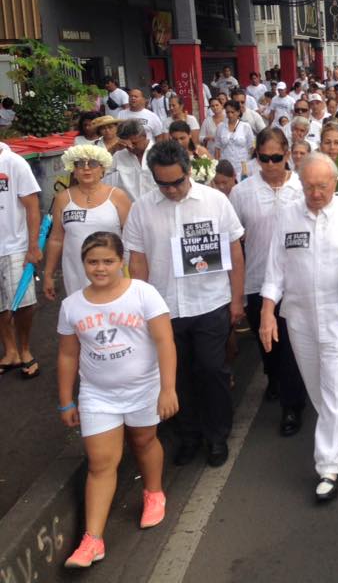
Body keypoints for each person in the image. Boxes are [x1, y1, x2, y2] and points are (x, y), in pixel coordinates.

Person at [259, 153, 338, 501]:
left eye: (322, 186)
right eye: (309, 186)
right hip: (300, 319)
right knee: (319, 390)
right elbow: (276, 268)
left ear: (335, 182)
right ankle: (330, 437)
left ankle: (328, 465)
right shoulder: (286, 216)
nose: (315, 193)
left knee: (334, 390)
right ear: (299, 183)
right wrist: (268, 311)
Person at [57, 232, 178, 569]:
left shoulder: (143, 293)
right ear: (83, 264)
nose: (100, 268)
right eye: (93, 261)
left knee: (143, 440)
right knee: (100, 462)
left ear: (121, 262)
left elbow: (165, 341)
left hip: (143, 387)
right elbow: (67, 355)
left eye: (108, 261)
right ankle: (92, 539)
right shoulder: (72, 306)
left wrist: (168, 388)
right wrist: (67, 401)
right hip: (97, 394)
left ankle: (153, 492)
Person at [124, 141, 245, 468]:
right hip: (164, 309)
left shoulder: (215, 202)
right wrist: (140, 309)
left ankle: (217, 436)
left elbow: (235, 252)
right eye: (163, 184)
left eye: (177, 182)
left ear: (189, 171)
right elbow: (137, 262)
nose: (172, 190)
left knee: (211, 370)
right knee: (176, 377)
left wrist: (237, 299)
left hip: (210, 303)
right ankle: (188, 436)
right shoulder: (142, 209)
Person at [230, 129, 307, 436]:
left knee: (290, 346)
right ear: (257, 157)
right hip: (258, 281)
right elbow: (234, 242)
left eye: (277, 157)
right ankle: (272, 377)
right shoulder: (242, 193)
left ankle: (292, 407)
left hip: (297, 282)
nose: (272, 164)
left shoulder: (303, 188)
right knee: (270, 348)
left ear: (287, 154)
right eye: (265, 158)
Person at [44, 145, 130, 299]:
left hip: (112, 269)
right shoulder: (63, 198)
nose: (86, 168)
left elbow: (131, 237)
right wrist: (48, 275)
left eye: (93, 164)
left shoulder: (117, 196)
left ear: (102, 169)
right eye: (80, 164)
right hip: (75, 270)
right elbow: (56, 239)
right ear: (73, 170)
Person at [0, 140, 42, 378]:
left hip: (14, 245)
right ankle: (10, 351)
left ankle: (25, 349)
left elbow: (32, 205)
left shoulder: (14, 163)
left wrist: (33, 246)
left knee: (23, 302)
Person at [107, 119, 156, 201]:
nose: (130, 147)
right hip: (129, 208)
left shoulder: (160, 152)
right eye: (126, 144)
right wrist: (113, 149)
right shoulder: (119, 155)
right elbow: (100, 173)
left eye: (134, 143)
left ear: (144, 136)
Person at [214, 99, 256, 181]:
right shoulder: (221, 127)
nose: (230, 115)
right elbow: (217, 148)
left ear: (238, 112)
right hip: (226, 165)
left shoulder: (245, 126)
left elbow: (251, 147)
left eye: (232, 112)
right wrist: (217, 165)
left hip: (242, 165)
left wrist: (250, 164)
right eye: (227, 112)